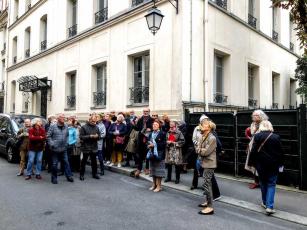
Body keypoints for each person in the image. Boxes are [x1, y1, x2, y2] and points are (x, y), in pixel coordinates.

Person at [249, 121, 283, 215]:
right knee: (271, 184)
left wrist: (252, 163)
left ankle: (264, 202)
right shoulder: (276, 137)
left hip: (260, 165)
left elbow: (253, 151)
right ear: (270, 126)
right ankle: (269, 207)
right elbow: (280, 152)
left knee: (263, 183)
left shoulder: (257, 136)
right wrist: (281, 164)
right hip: (273, 165)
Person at [196, 120, 217, 215]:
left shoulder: (212, 138)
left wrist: (199, 149)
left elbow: (206, 152)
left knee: (206, 184)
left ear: (209, 127)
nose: (201, 125)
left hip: (209, 164)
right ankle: (207, 202)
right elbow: (197, 148)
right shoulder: (202, 136)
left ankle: (210, 207)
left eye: (204, 124)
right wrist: (200, 149)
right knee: (206, 183)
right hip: (203, 162)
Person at [47, 114, 74, 184]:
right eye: (62, 117)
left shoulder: (66, 126)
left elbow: (67, 135)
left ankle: (69, 176)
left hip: (64, 148)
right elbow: (48, 136)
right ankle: (54, 178)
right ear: (58, 118)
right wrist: (52, 144)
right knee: (54, 164)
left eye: (64, 117)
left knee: (66, 162)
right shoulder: (53, 126)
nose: (64, 118)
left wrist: (67, 142)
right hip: (55, 149)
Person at [246, 110, 269, 189]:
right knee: (253, 164)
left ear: (260, 116)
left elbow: (267, 135)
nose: (253, 116)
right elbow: (252, 135)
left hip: (261, 148)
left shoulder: (265, 124)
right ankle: (256, 181)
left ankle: (263, 182)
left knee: (260, 165)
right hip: (252, 146)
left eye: (255, 115)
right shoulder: (253, 124)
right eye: (253, 115)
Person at [79, 115, 101, 180]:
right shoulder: (83, 127)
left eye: (95, 121)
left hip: (94, 147)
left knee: (94, 162)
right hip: (86, 147)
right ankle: (81, 174)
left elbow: (99, 136)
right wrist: (90, 136)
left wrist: (97, 136)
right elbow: (81, 137)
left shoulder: (97, 127)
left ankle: (95, 174)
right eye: (93, 121)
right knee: (84, 162)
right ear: (89, 120)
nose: (94, 123)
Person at [147, 121, 166, 193]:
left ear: (159, 126)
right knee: (153, 170)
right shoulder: (151, 134)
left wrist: (154, 145)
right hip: (152, 153)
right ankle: (154, 185)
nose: (154, 126)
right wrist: (148, 145)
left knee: (159, 171)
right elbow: (148, 142)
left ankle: (159, 186)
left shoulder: (162, 133)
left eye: (156, 124)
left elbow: (164, 144)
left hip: (159, 154)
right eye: (153, 124)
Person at [135, 108, 154, 177]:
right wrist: (135, 123)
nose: (145, 112)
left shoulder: (152, 119)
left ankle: (147, 168)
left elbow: (155, 127)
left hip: (148, 139)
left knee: (147, 154)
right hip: (141, 138)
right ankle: (139, 169)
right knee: (140, 154)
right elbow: (136, 128)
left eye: (147, 111)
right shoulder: (140, 119)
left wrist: (151, 129)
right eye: (144, 111)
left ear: (149, 112)